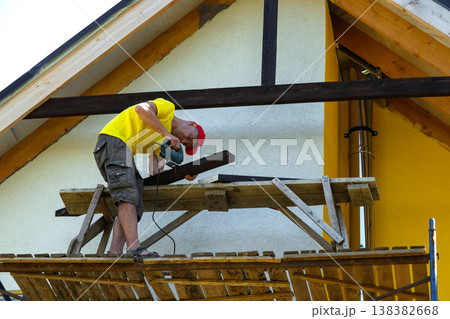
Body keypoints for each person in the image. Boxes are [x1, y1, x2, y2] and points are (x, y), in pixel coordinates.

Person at [93, 98, 205, 258]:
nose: (185, 140)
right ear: (192, 124)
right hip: (113, 141)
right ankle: (134, 248)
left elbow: (156, 174)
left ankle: (115, 252)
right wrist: (165, 133)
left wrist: (181, 173)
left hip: (120, 149)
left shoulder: (162, 141)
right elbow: (141, 109)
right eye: (189, 138)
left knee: (135, 197)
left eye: (187, 143)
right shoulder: (168, 108)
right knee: (127, 194)